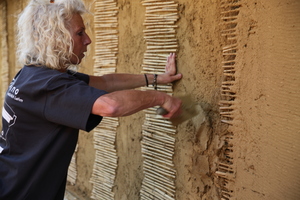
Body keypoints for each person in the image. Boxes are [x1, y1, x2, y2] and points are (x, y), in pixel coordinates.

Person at [0, 0, 182, 199]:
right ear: (55, 38)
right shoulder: (48, 86)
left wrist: (158, 79)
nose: (88, 40)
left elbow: (106, 82)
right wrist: (161, 98)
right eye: (80, 33)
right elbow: (111, 106)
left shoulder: (33, 76)